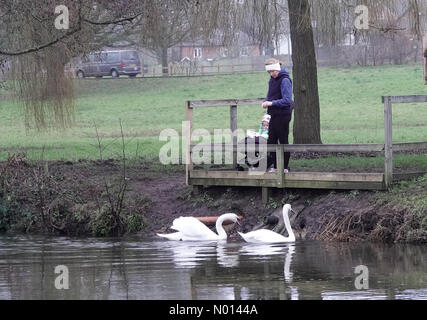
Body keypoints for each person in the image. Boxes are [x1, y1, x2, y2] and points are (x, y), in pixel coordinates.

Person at [261, 58, 294, 173]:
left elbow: (287, 100)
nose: (271, 74)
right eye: (269, 72)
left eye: (273, 71)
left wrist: (271, 103)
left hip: (283, 114)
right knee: (271, 141)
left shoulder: (285, 80)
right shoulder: (271, 80)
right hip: (272, 114)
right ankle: (275, 167)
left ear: (277, 69)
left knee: (283, 139)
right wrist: (266, 102)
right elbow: (269, 95)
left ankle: (285, 167)